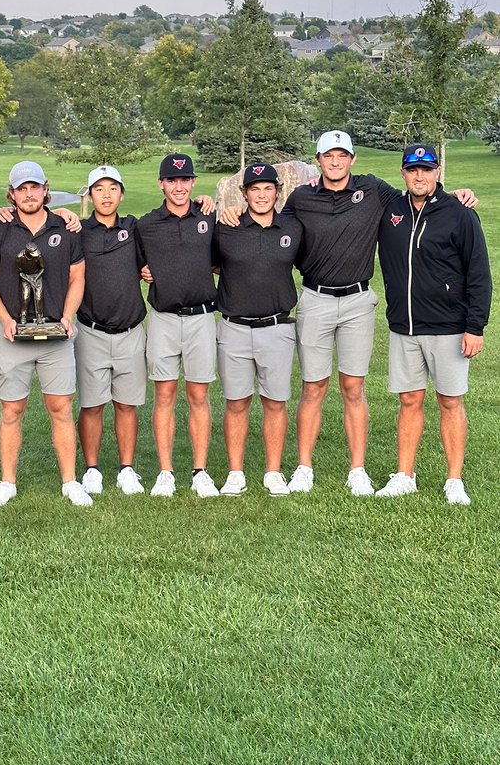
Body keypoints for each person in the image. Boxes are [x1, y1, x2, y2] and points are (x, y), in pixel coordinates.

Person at [221, 130, 475, 496]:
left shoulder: (372, 190)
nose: (335, 162)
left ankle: (358, 469)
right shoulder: (301, 198)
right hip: (315, 299)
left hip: (357, 302)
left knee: (353, 387)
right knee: (313, 387)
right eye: (328, 156)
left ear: (352, 160)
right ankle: (304, 467)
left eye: (342, 156)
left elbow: (417, 196)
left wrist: (454, 196)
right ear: (319, 159)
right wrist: (227, 209)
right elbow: (268, 221)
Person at [374, 144, 491, 505]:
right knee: (409, 400)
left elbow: (479, 274)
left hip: (450, 327)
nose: (419, 176)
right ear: (403, 173)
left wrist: (476, 326)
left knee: (450, 401)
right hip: (404, 327)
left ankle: (454, 479)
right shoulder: (390, 209)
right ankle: (404, 475)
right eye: (412, 170)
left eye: (426, 169)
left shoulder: (459, 213)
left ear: (437, 172)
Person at [0, 161, 91, 508]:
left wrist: (69, 316)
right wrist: (6, 318)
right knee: (12, 410)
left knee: (61, 408)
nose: (28, 194)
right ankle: (7, 481)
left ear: (45, 189)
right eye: (21, 188)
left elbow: (77, 278)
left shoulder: (65, 227)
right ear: (11, 193)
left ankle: (70, 481)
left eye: (34, 187)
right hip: (13, 336)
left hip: (56, 337)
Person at [211, 163, 303, 497]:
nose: (262, 195)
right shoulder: (226, 228)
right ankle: (235, 472)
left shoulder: (292, 228)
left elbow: (307, 263)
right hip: (234, 328)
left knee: (275, 402)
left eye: (268, 189)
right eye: (255, 189)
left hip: (277, 328)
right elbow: (206, 260)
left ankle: (273, 472)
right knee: (236, 402)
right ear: (245, 193)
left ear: (277, 192)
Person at [134, 153, 218, 498]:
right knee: (164, 394)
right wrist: (142, 270)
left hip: (201, 318)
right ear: (161, 184)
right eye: (172, 180)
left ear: (193, 182)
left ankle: (200, 470)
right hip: (164, 319)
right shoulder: (146, 224)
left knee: (199, 395)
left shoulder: (209, 218)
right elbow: (135, 261)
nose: (179, 186)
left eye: (185, 180)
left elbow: (220, 261)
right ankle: (166, 472)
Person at [74, 165, 147, 496]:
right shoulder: (78, 232)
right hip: (91, 330)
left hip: (130, 329)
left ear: (121, 193)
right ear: (89, 195)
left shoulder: (133, 229)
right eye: (98, 189)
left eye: (112, 188)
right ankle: (91, 468)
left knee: (126, 403)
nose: (106, 195)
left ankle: (127, 468)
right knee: (92, 404)